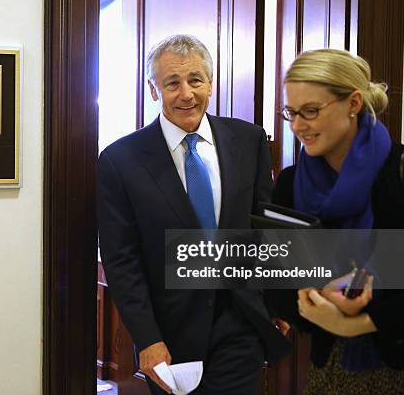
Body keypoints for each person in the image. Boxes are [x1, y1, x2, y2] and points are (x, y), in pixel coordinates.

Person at [97, 34, 289, 394]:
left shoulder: (249, 141)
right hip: (169, 337)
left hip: (240, 324)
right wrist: (147, 339)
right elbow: (122, 261)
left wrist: (278, 304)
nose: (186, 94)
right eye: (172, 83)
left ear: (211, 85)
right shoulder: (119, 161)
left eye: (196, 80)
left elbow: (264, 230)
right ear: (154, 91)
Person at [270, 48, 404, 394]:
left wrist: (357, 323)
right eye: (291, 112)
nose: (297, 126)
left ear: (352, 103)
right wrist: (317, 292)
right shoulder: (290, 185)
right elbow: (275, 284)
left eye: (311, 111)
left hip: (403, 366)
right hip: (327, 367)